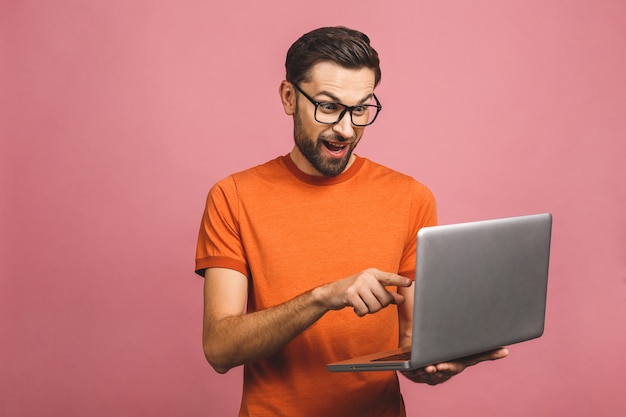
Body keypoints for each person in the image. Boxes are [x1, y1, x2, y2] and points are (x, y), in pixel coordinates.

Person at [195, 26, 508, 417]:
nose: (346, 129)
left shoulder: (412, 198)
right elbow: (220, 349)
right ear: (289, 97)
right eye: (328, 106)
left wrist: (434, 364)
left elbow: (410, 340)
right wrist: (323, 297)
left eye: (361, 108)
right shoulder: (232, 197)